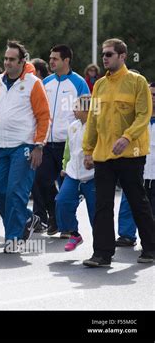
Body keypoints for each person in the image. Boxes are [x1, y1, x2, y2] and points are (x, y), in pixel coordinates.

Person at [82, 38, 155, 266]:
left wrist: (127, 137)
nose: (105, 57)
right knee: (102, 204)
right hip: (104, 155)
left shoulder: (137, 82)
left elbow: (144, 114)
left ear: (123, 56)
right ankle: (102, 254)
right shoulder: (100, 85)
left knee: (137, 200)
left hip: (131, 154)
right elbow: (93, 120)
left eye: (110, 54)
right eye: (103, 54)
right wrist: (87, 150)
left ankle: (151, 249)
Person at [0, 40, 50, 253]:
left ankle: (14, 238)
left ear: (22, 61)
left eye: (12, 59)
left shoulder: (34, 83)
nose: (7, 62)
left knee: (16, 191)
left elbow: (44, 116)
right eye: (5, 59)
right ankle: (27, 218)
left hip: (23, 146)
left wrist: (39, 145)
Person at [32, 45, 90, 237]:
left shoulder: (79, 83)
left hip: (69, 145)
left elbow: (91, 113)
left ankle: (68, 226)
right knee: (41, 180)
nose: (51, 61)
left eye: (55, 58)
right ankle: (54, 217)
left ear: (66, 61)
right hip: (47, 142)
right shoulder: (45, 82)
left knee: (68, 189)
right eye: (50, 58)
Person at [116, 82, 155, 247]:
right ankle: (126, 234)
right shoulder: (137, 119)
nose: (152, 99)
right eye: (150, 95)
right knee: (128, 202)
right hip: (135, 168)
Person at [56, 95, 95, 251]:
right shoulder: (73, 126)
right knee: (62, 202)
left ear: (87, 109)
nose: (73, 109)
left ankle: (101, 245)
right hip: (72, 174)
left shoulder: (97, 126)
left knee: (96, 212)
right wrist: (65, 167)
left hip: (93, 176)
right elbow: (68, 150)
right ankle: (74, 233)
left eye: (77, 106)